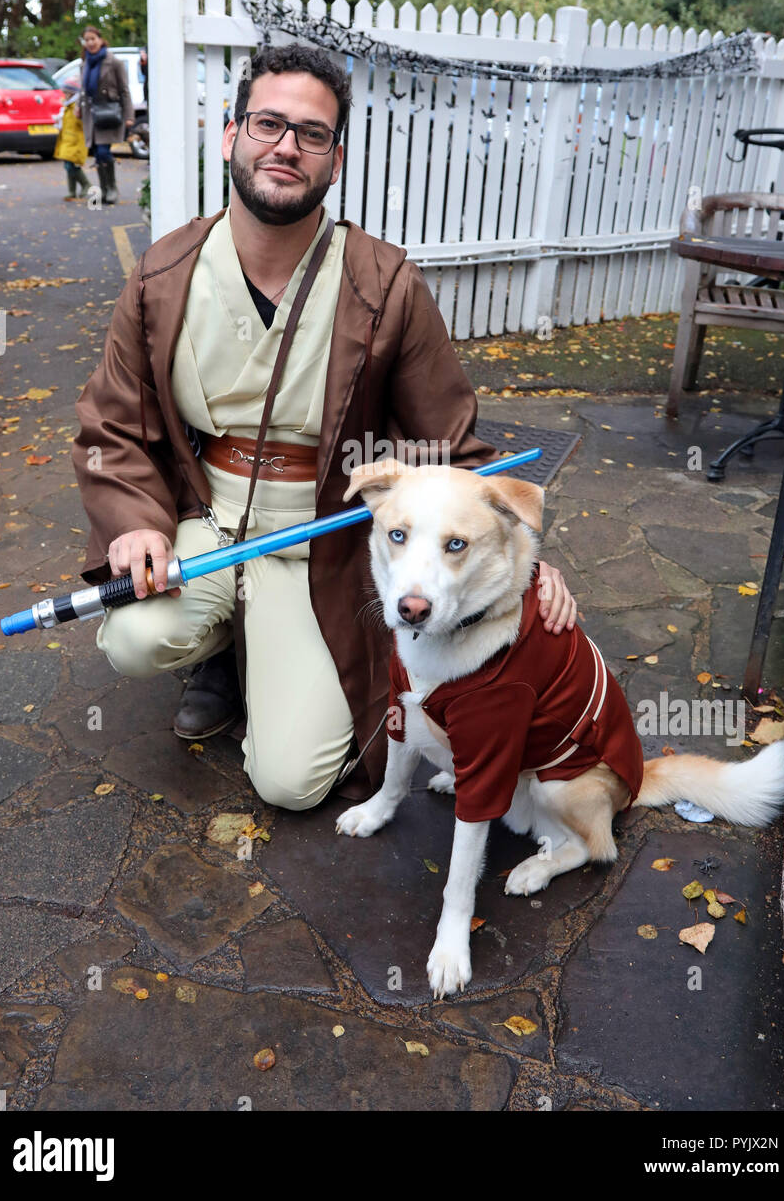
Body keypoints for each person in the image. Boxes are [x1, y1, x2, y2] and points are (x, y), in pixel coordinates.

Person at [72, 43, 577, 810]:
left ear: (334, 161)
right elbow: (113, 427)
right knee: (132, 638)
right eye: (268, 123)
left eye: (312, 134)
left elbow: (453, 445)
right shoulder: (162, 275)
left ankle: (260, 649)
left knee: (293, 783)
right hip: (202, 516)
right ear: (230, 133)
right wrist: (136, 526)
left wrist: (528, 560)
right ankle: (221, 644)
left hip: (322, 534)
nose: (285, 146)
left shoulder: (386, 281)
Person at [76, 24, 134, 206]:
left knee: (103, 151)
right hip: (91, 115)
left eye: (93, 39)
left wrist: (129, 115)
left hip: (109, 112)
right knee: (97, 154)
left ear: (100, 40)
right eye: (87, 40)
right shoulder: (84, 63)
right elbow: (83, 90)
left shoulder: (113, 62)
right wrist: (78, 106)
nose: (90, 43)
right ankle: (104, 188)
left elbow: (125, 90)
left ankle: (112, 188)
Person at [53, 84, 89, 200]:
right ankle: (71, 191)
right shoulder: (67, 107)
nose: (64, 95)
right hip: (67, 140)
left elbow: (80, 123)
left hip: (75, 141)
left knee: (70, 166)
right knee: (68, 165)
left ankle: (86, 184)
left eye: (66, 93)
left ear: (72, 94)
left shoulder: (75, 107)